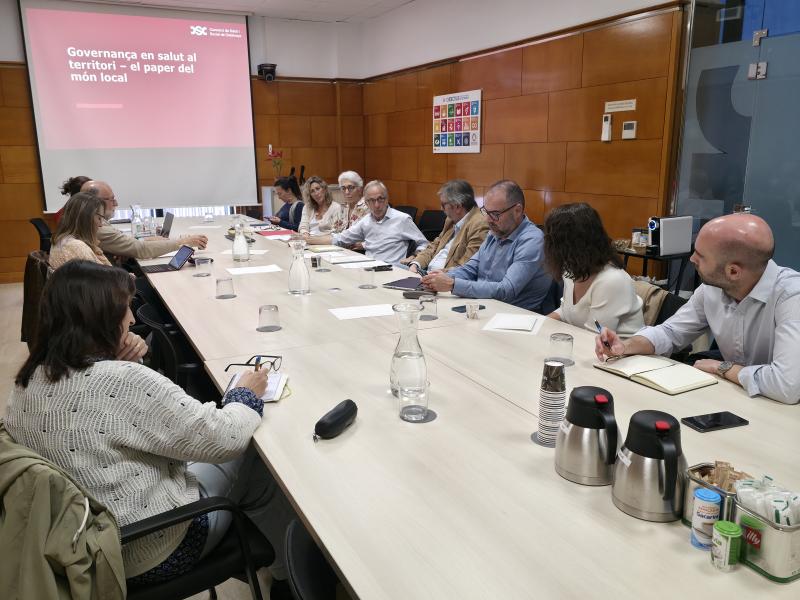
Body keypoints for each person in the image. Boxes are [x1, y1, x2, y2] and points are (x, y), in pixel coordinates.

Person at [5, 260, 296, 588]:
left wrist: (114, 361)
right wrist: (245, 394)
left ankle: (283, 571)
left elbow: (94, 420)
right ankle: (293, 573)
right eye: (123, 310)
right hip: (155, 546)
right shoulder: (119, 381)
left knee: (255, 481)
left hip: (87, 546)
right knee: (257, 450)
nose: (131, 318)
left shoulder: (27, 380)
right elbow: (223, 437)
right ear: (99, 319)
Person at [595, 213, 800, 405]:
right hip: (740, 398)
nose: (692, 259)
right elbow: (670, 332)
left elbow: (787, 386)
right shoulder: (712, 289)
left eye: (701, 255)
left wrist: (723, 367)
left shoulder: (791, 297)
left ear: (733, 271)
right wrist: (626, 346)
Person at [421, 179, 552, 312]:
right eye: (486, 212)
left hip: (515, 316)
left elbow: (506, 291)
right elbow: (471, 269)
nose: (488, 220)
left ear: (517, 210)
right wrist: (439, 278)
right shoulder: (496, 231)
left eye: (495, 214)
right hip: (483, 307)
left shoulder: (532, 240)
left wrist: (453, 284)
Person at [544, 203, 643, 335]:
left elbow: (593, 338)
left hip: (619, 353)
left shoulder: (612, 280)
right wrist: (539, 324)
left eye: (553, 241)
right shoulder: (571, 269)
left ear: (572, 245)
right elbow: (566, 311)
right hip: (585, 346)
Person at [307, 180, 428, 265]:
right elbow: (340, 238)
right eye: (371, 201)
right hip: (368, 267)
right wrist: (306, 240)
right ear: (366, 202)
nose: (377, 205)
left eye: (380, 199)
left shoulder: (402, 219)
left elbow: (424, 243)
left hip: (393, 268)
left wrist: (414, 257)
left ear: (387, 199)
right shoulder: (366, 221)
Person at [82, 180, 208, 260]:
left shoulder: (92, 220)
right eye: (111, 199)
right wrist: (183, 242)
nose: (116, 203)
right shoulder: (96, 226)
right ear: (95, 202)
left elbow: (128, 242)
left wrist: (146, 240)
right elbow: (141, 250)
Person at [402, 179, 488, 275]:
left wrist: (433, 275)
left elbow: (467, 266)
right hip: (426, 273)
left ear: (458, 207)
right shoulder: (450, 220)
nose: (441, 208)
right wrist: (415, 264)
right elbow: (434, 246)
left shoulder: (479, 224)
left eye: (443, 204)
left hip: (445, 280)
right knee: (393, 268)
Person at [49, 192, 112, 269]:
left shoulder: (62, 240)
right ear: (87, 219)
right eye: (99, 218)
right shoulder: (77, 247)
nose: (101, 224)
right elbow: (108, 278)